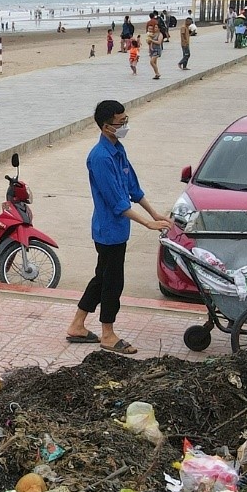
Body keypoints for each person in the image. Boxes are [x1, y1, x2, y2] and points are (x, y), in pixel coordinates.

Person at [64, 100, 172, 354]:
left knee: (102, 277)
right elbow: (117, 202)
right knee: (113, 283)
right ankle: (108, 334)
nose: (125, 126)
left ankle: (77, 324)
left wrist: (154, 213)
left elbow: (133, 188)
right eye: (120, 122)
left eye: (126, 120)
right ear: (106, 127)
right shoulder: (100, 158)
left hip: (119, 229)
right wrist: (147, 223)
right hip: (108, 231)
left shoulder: (118, 149)